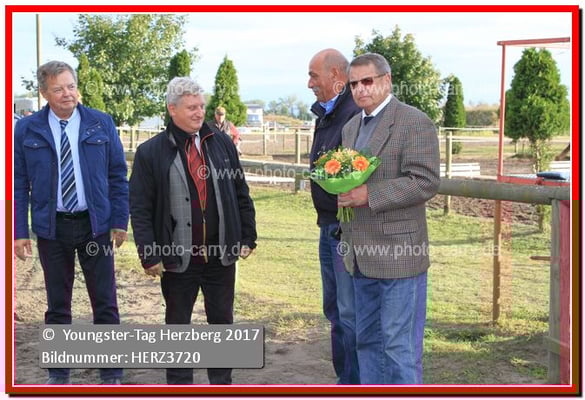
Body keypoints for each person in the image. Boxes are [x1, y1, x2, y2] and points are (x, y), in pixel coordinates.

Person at [129, 77, 257, 385]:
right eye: (191, 108)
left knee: (222, 326)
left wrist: (247, 235)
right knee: (177, 329)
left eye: (201, 106)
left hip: (220, 257)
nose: (199, 113)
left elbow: (240, 191)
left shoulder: (222, 143)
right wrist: (149, 253)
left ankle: (221, 386)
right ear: (172, 109)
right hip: (176, 260)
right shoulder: (150, 152)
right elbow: (140, 208)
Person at [14, 61, 129, 385]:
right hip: (52, 228)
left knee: (105, 302)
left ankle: (111, 374)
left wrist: (119, 220)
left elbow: (117, 175)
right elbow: (18, 184)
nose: (67, 94)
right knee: (57, 305)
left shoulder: (101, 123)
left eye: (71, 86)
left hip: (96, 225)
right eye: (58, 89)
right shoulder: (26, 129)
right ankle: (58, 375)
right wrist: (18, 231)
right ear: (44, 93)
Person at [337, 53, 440, 384]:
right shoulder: (351, 127)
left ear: (387, 80)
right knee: (366, 342)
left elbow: (425, 182)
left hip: (399, 255)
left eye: (367, 81)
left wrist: (369, 195)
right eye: (354, 84)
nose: (360, 89)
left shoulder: (414, 122)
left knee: (399, 348)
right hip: (360, 255)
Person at [307, 49, 361, 385]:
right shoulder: (325, 114)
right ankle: (346, 378)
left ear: (336, 75)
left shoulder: (354, 113)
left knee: (349, 310)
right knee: (335, 309)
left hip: (347, 227)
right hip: (328, 224)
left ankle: (355, 382)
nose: (309, 83)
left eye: (314, 75)